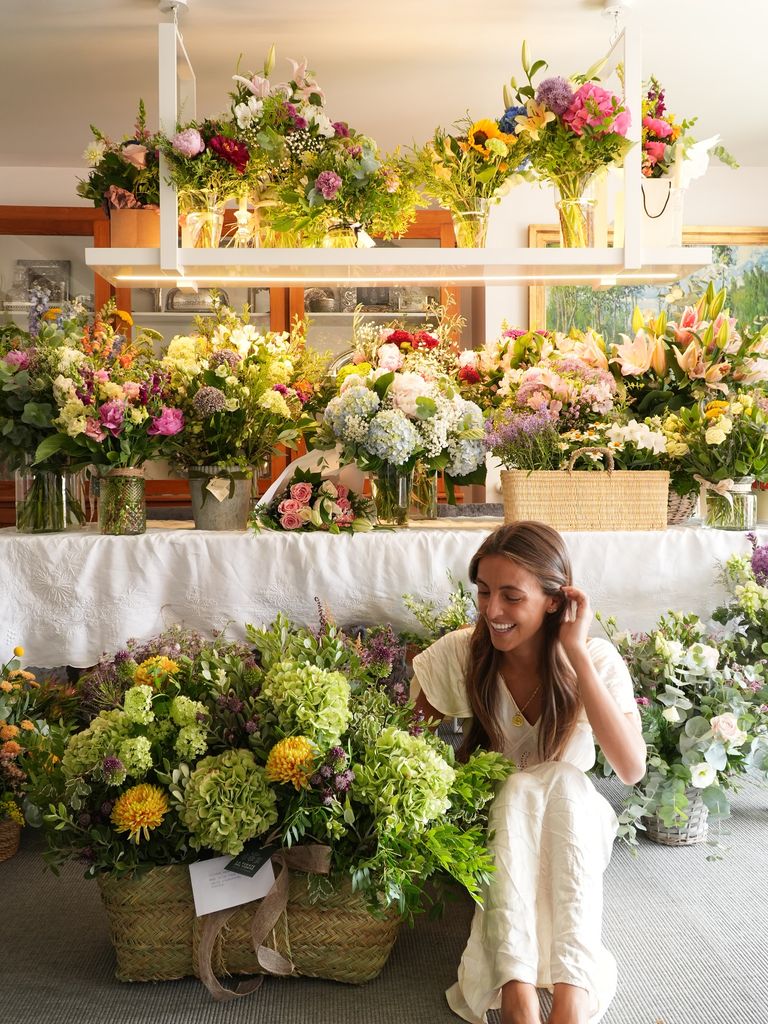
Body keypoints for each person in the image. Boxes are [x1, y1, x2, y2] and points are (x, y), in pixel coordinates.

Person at [411, 522, 647, 1024]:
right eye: (484, 592)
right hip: (494, 831)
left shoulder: (595, 658)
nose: (492, 610)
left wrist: (576, 651)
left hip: (573, 827)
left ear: (555, 600)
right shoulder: (463, 653)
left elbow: (630, 768)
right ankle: (527, 998)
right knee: (517, 789)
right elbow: (405, 744)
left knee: (562, 780)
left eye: (512, 596)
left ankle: (558, 998)